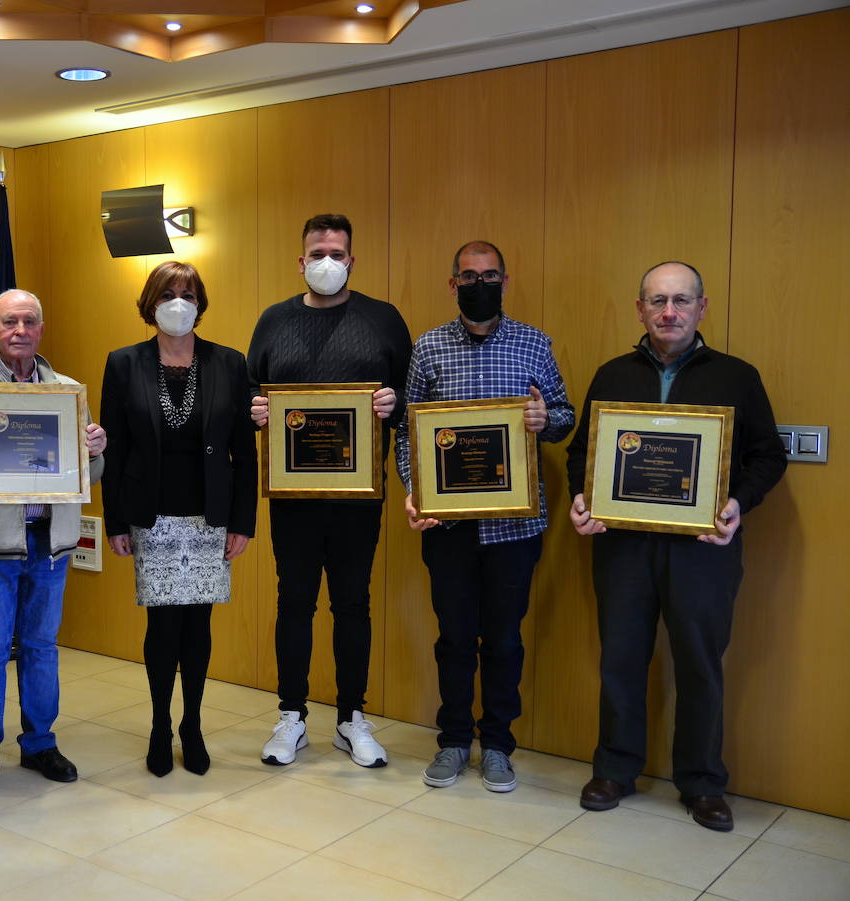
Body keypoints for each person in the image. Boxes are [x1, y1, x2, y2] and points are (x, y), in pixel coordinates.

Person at [567, 261, 786, 831]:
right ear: (639, 308)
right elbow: (580, 456)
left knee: (699, 666)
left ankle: (703, 783)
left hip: (702, 548)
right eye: (658, 300)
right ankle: (615, 769)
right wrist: (581, 499)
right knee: (620, 659)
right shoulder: (611, 374)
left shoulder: (737, 376)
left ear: (701, 307)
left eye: (681, 301)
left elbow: (769, 456)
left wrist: (738, 503)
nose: (669, 312)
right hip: (622, 547)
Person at [397, 241, 574, 793]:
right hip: (447, 525)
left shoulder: (534, 344)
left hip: (514, 528)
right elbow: (408, 432)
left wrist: (547, 418)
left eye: (489, 274)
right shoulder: (427, 348)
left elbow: (565, 416)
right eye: (469, 276)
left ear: (505, 279)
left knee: (503, 639)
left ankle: (497, 744)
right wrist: (414, 490)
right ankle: (453, 740)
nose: (480, 283)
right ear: (453, 284)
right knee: (453, 637)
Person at [247, 213, 412, 768]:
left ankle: (350, 718)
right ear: (301, 262)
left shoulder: (384, 319)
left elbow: (412, 403)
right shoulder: (273, 321)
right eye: (317, 253)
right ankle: (291, 715)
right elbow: (251, 393)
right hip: (292, 496)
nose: (326, 263)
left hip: (358, 497)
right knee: (292, 601)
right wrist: (257, 409)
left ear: (351, 260)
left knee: (352, 604)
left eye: (337, 254)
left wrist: (394, 406)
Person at [0, 289, 106, 798]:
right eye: (9, 322)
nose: (20, 330)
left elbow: (88, 475)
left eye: (29, 321)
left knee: (41, 647)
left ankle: (40, 743)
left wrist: (97, 452)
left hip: (51, 543)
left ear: (41, 328)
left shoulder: (69, 391)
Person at [100, 262, 258, 777]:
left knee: (198, 626)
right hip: (152, 517)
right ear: (151, 302)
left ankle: (192, 725)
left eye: (188, 293)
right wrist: (116, 520)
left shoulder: (229, 364)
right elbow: (115, 449)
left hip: (210, 517)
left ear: (200, 302)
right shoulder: (123, 363)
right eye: (168, 293)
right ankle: (159, 726)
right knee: (162, 626)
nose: (178, 302)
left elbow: (244, 451)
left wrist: (243, 521)